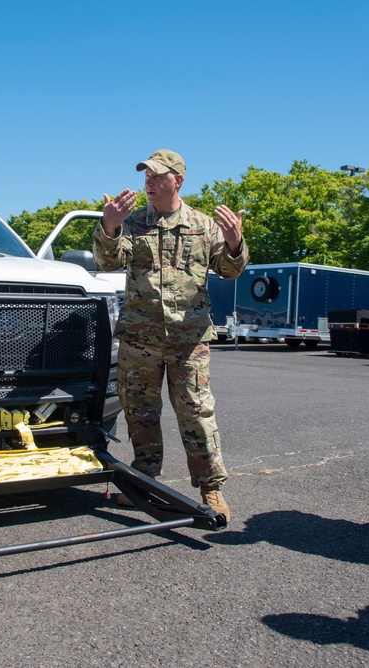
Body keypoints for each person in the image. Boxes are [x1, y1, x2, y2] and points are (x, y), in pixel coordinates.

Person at [93, 149, 249, 522]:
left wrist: (233, 242)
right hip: (140, 340)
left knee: (196, 413)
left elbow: (230, 270)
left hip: (188, 340)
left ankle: (211, 489)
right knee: (141, 414)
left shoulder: (202, 224)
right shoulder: (133, 223)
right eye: (146, 174)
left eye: (157, 175)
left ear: (178, 180)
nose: (149, 181)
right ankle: (144, 479)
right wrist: (110, 227)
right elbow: (107, 262)